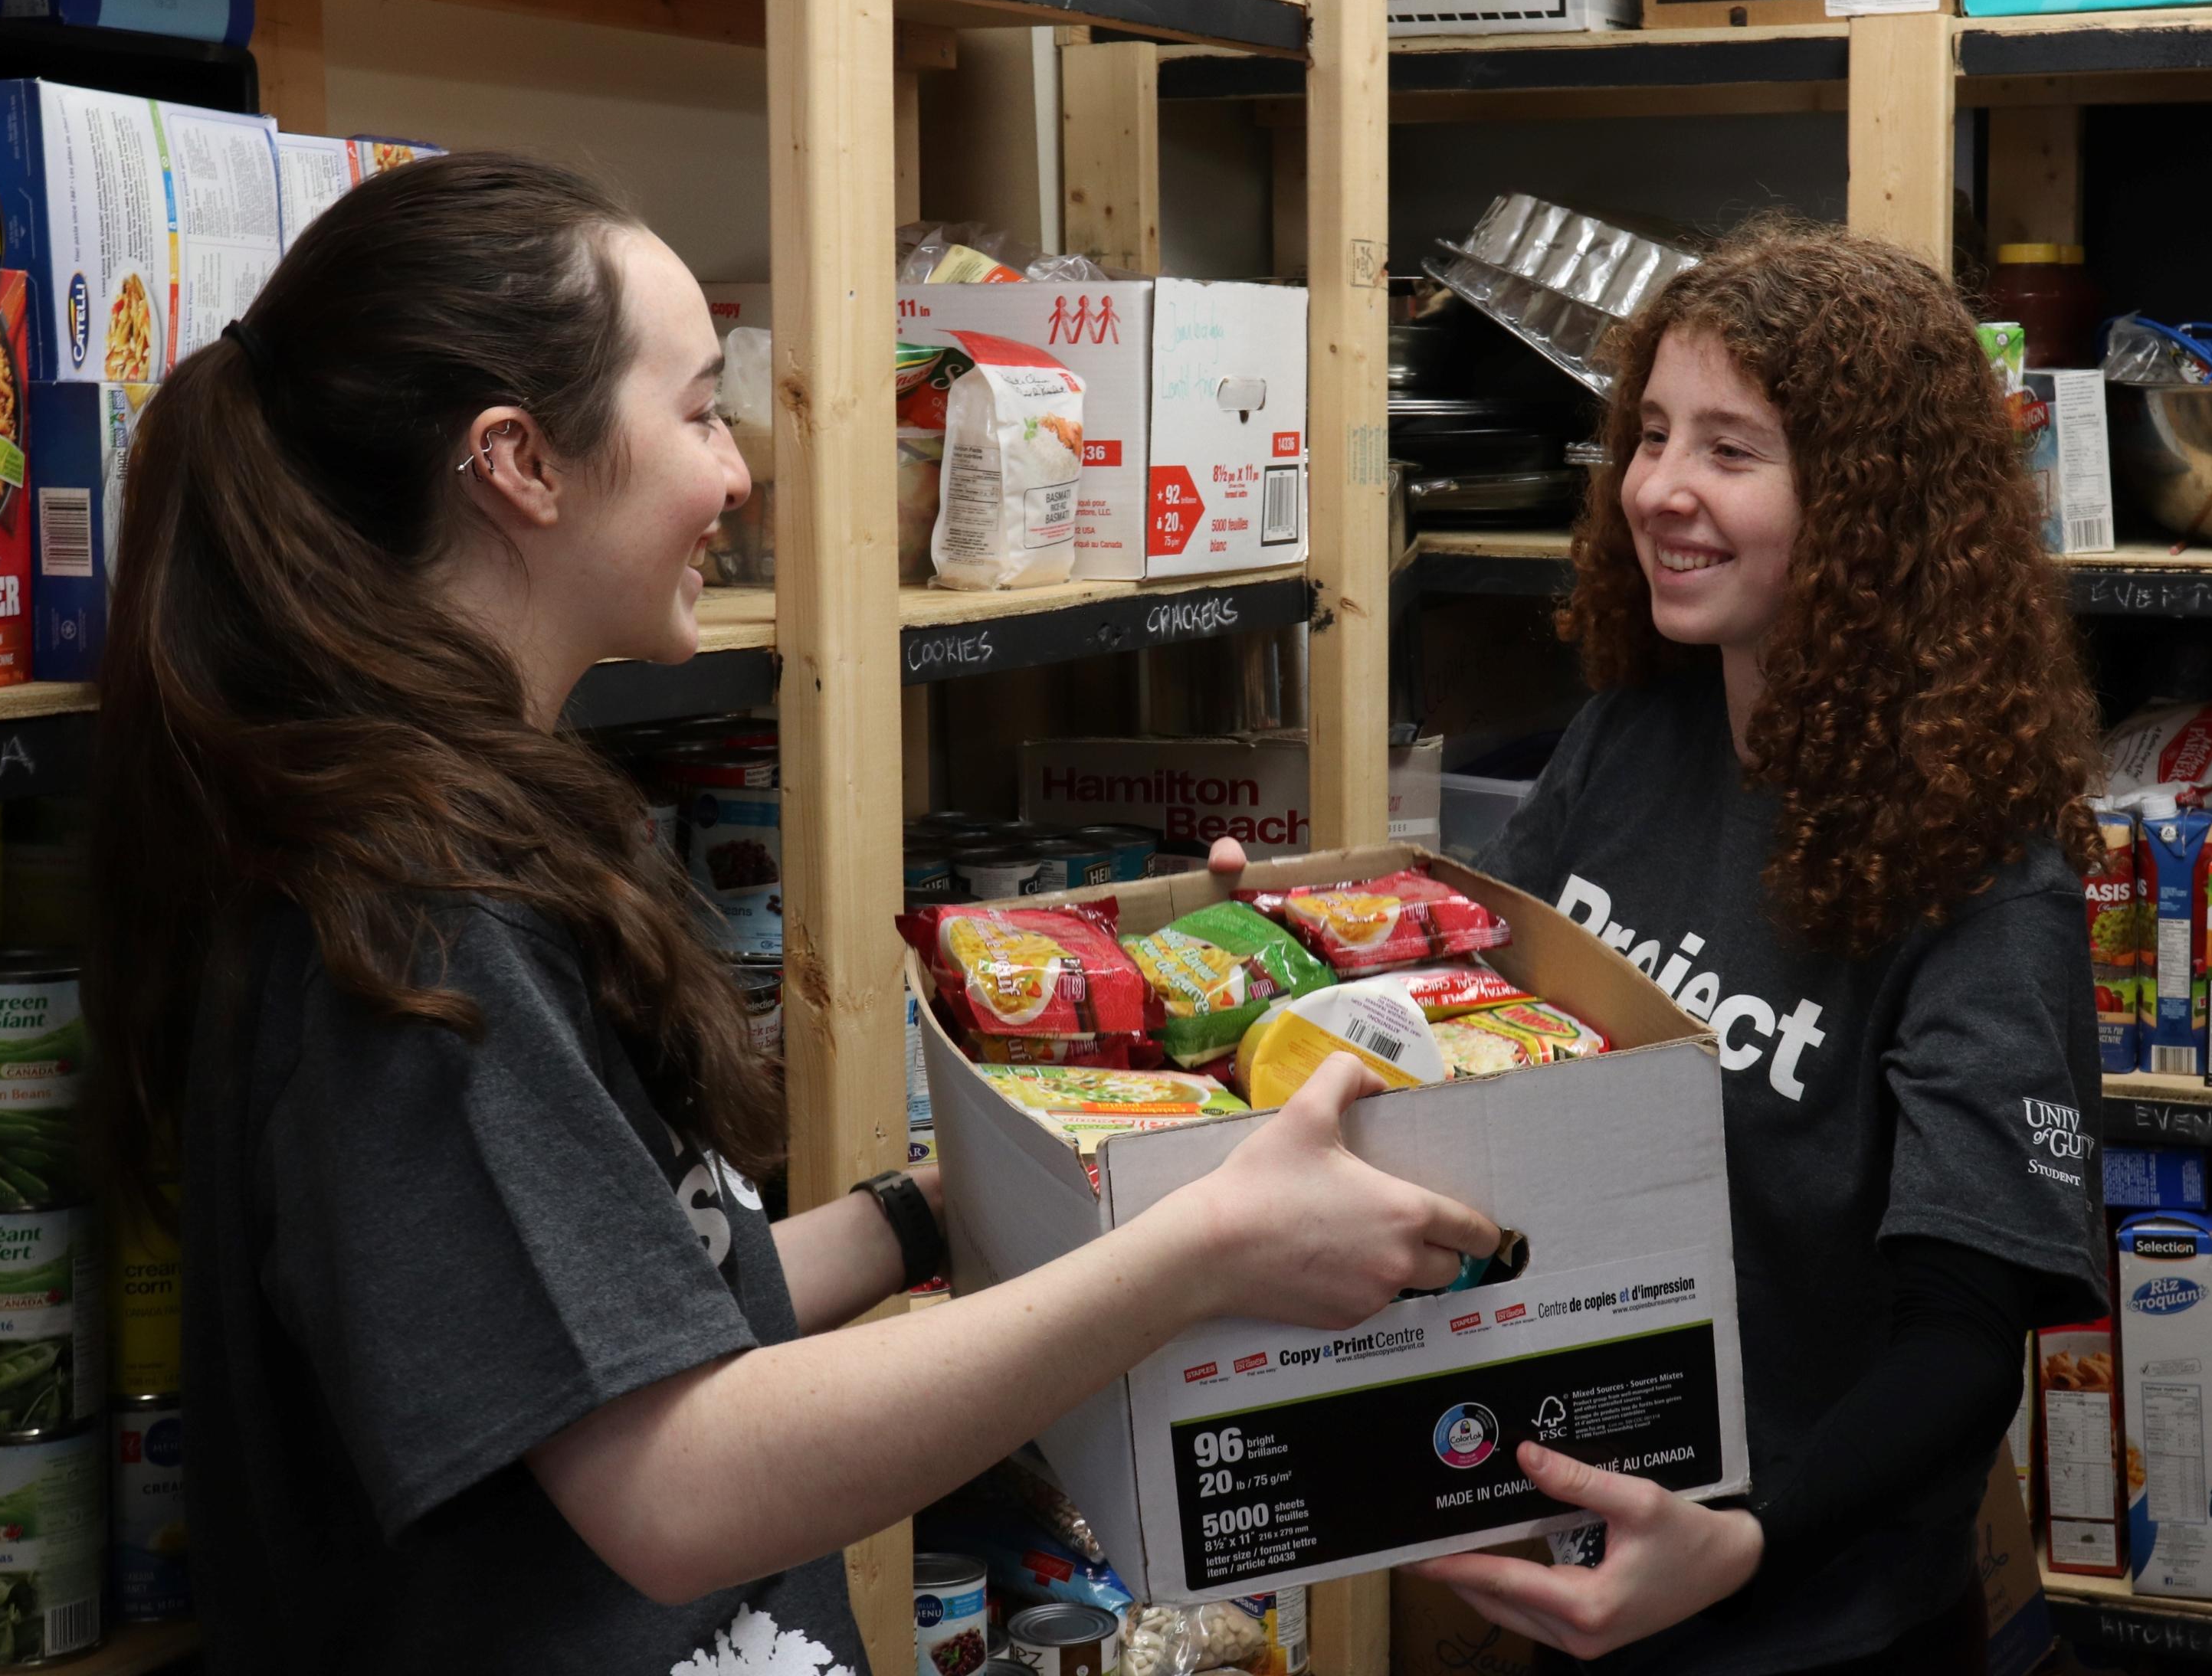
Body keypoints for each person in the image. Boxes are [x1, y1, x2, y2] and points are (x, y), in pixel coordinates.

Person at [86, 152, 1497, 1673]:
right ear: (520, 462)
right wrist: (1204, 1254)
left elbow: (655, 1300)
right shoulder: (416, 918)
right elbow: (676, 1485)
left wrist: (979, 1195)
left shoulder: (458, 834)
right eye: (697, 412)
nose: (737, 475)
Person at [1416, 221, 2109, 1676]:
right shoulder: (1630, 736)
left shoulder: (1977, 873)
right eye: (1652, 434)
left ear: (1870, 509)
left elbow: (1963, 1337)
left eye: (1732, 450)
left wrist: (1750, 1543)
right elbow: (1475, 1009)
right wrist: (1304, 961)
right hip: (1580, 1546)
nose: (1659, 488)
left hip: (1816, 1624)